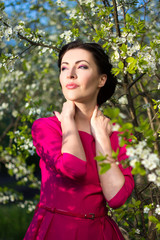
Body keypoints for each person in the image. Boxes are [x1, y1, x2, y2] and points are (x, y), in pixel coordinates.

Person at [24, 40, 134, 240]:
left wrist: (101, 137)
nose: (70, 74)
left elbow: (116, 197)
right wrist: (67, 119)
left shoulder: (119, 136)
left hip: (98, 233)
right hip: (55, 230)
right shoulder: (47, 127)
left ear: (101, 80)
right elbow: (74, 167)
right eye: (64, 67)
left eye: (82, 66)